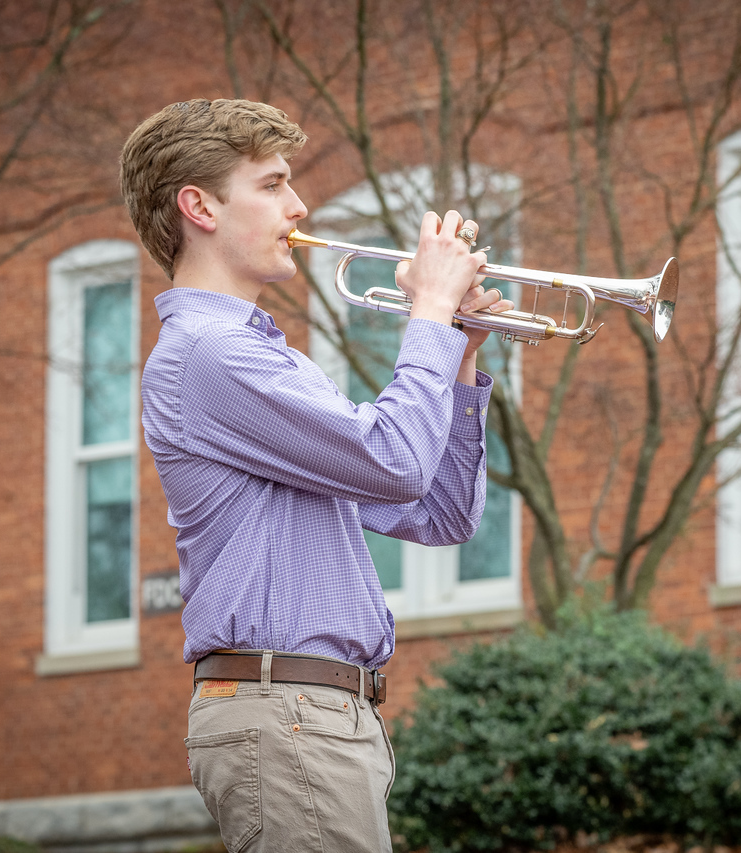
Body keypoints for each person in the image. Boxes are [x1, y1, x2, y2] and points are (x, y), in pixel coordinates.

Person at [119, 98, 510, 852]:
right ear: (198, 206)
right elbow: (393, 461)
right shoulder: (211, 354)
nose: (298, 205)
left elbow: (437, 513)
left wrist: (458, 356)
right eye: (271, 185)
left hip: (316, 712)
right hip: (287, 708)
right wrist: (428, 309)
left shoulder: (273, 360)